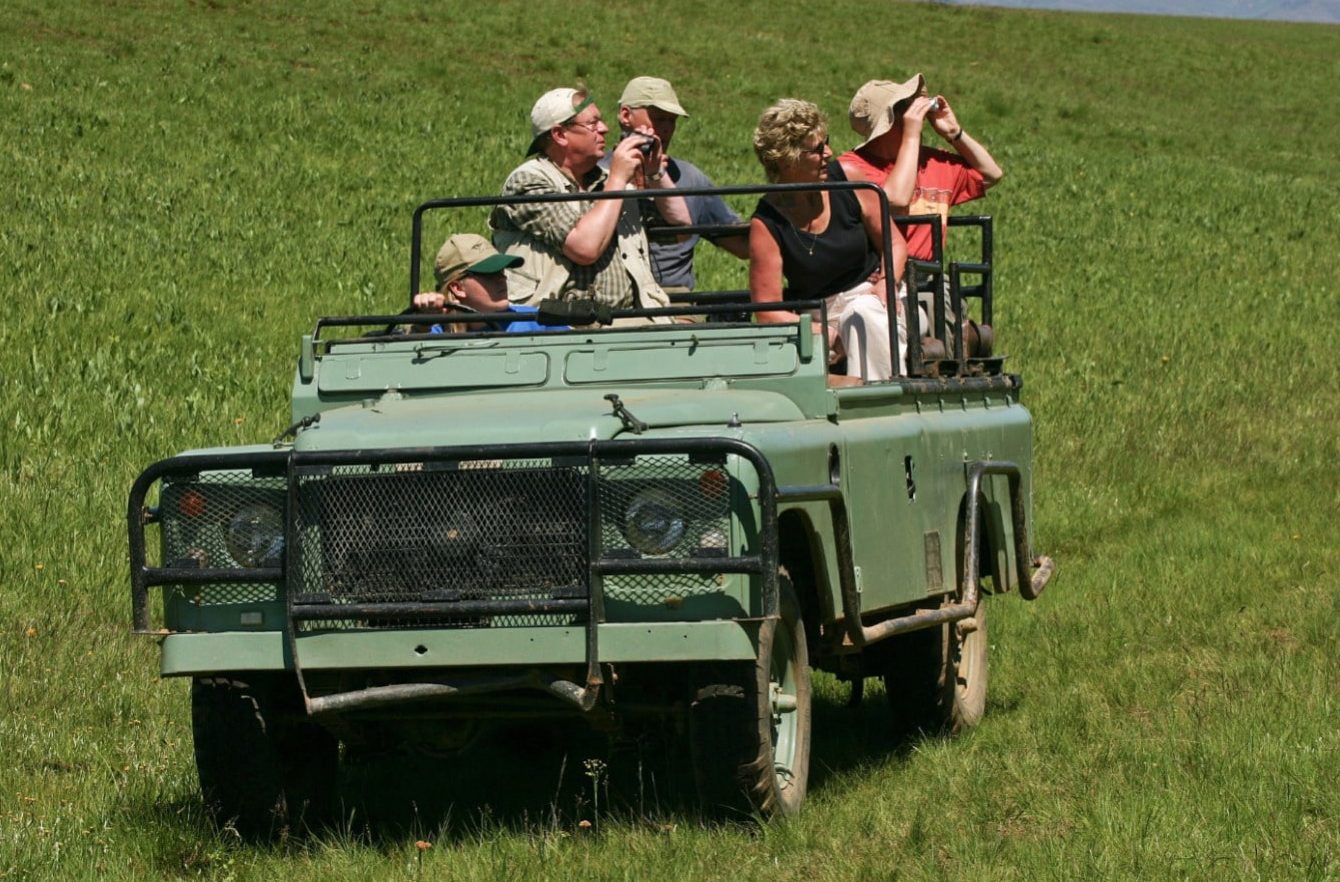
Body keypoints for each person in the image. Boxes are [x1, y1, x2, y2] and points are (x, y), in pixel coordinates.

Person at [747, 99, 909, 381]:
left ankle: (878, 400)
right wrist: (819, 330)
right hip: (819, 313)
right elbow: (768, 310)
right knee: (855, 320)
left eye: (827, 143)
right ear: (788, 159)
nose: (829, 153)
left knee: (862, 315)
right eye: (817, 149)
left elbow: (894, 243)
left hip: (874, 296)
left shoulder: (849, 181)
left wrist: (887, 282)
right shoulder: (767, 222)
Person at [839, 75, 1003, 353]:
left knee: (944, 308)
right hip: (879, 277)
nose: (918, 112)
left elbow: (992, 174)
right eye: (907, 107)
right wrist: (911, 135)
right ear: (890, 121)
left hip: (929, 276)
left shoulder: (934, 162)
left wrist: (954, 133)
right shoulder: (853, 168)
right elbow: (897, 199)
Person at [489, 87, 690, 313]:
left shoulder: (605, 182)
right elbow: (584, 248)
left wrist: (655, 173)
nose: (604, 129)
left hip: (624, 318)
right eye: (593, 124)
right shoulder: (526, 183)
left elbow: (681, 229)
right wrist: (617, 179)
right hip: (558, 323)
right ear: (560, 135)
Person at [602, 76, 748, 293]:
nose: (667, 128)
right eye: (658, 119)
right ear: (625, 115)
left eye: (672, 121)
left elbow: (743, 246)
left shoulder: (689, 178)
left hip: (674, 300)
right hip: (613, 297)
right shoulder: (595, 173)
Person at [412, 233, 559, 333]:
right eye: (490, 274)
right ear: (457, 288)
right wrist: (422, 323)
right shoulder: (437, 334)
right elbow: (409, 364)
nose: (503, 279)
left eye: (501, 271)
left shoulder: (536, 322)